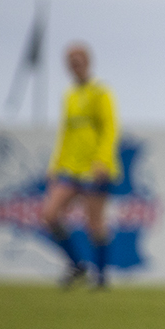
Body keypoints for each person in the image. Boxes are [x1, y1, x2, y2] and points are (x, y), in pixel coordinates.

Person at [42, 42, 119, 289]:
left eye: (79, 60)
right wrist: (55, 166)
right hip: (70, 169)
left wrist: (103, 160)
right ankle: (77, 264)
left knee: (94, 222)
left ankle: (101, 276)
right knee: (50, 214)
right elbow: (65, 133)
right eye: (70, 62)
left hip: (95, 168)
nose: (75, 66)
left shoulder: (100, 93)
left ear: (88, 61)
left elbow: (110, 128)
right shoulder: (70, 95)